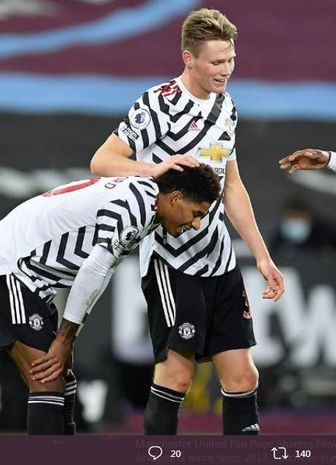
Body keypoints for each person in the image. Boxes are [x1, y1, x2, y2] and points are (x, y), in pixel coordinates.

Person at [89, 8, 284, 435]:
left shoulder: (228, 107)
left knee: (243, 378)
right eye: (216, 61)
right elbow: (102, 160)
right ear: (188, 58)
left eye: (231, 59)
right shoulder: (157, 104)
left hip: (220, 261)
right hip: (170, 259)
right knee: (177, 377)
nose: (226, 70)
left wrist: (262, 256)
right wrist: (154, 170)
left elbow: (232, 187)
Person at [0, 164, 221, 434]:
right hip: (10, 268)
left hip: (28, 277)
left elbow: (99, 273)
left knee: (63, 382)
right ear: (175, 198)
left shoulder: (143, 197)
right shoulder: (137, 207)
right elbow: (94, 269)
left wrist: (68, 338)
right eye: (196, 213)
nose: (195, 224)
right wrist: (64, 339)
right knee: (47, 380)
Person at [269, 197, 336, 255]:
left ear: (309, 217)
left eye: (299, 217)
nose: (295, 222)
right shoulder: (280, 237)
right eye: (292, 217)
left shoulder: (328, 233)